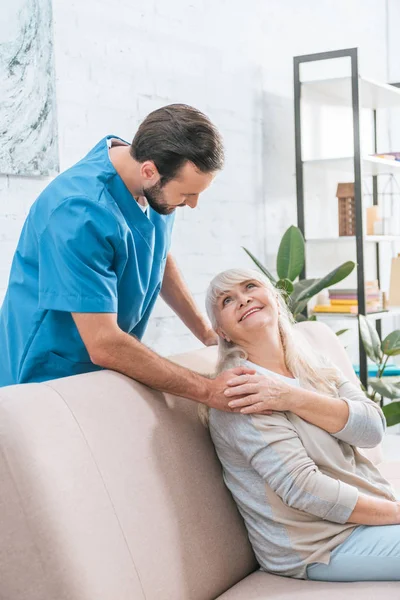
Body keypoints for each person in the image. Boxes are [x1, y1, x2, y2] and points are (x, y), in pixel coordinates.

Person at [0, 104, 253, 410]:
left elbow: (154, 250)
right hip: (46, 378)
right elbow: (104, 343)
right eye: (187, 195)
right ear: (149, 171)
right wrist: (208, 391)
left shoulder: (152, 175)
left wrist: (206, 332)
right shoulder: (78, 213)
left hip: (100, 368)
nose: (194, 204)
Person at [200, 267, 400, 581]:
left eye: (250, 286)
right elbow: (305, 490)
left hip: (364, 518)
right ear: (222, 332)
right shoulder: (240, 392)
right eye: (227, 300)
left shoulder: (311, 362)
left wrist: (291, 397)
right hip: (320, 544)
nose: (243, 299)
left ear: (275, 301)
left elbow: (372, 429)